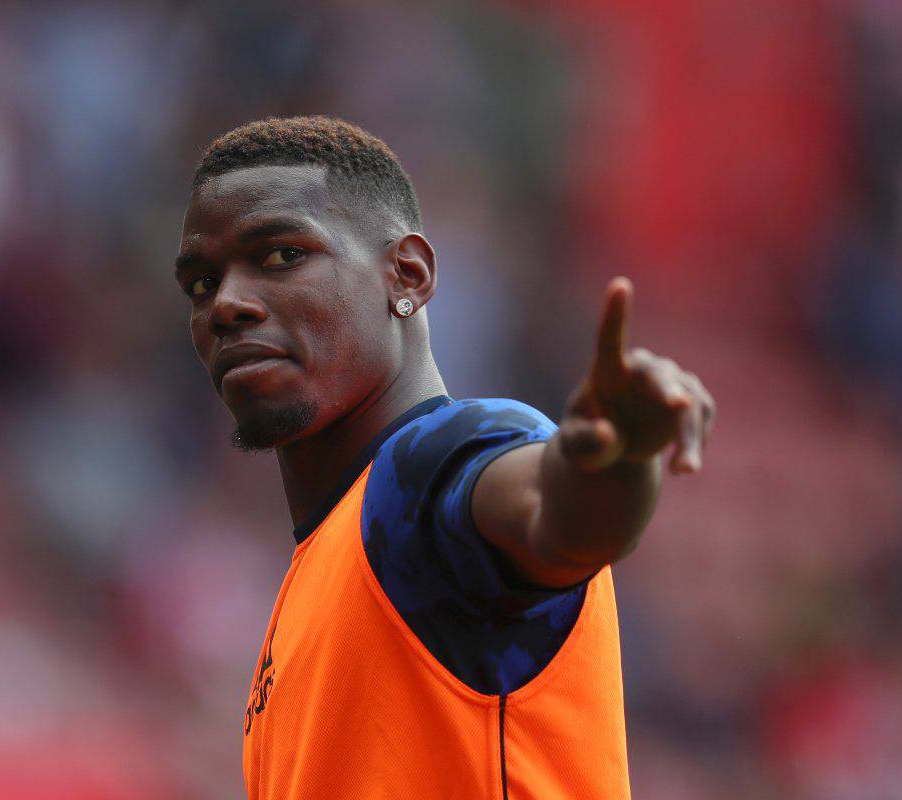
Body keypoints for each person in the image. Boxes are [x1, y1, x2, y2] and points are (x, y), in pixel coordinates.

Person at [175, 116, 715, 799]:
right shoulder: (327, 557)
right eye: (200, 282)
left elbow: (559, 516)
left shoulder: (431, 470)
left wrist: (614, 462)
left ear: (408, 274)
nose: (226, 304)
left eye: (281, 255)